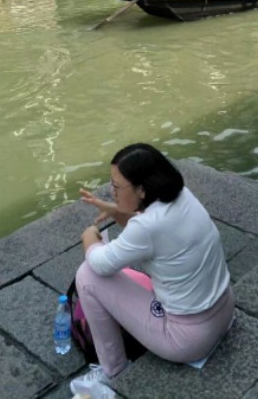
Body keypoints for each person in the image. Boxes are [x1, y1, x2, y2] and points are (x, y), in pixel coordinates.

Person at [73, 143, 235, 391]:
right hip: (223, 311)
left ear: (141, 190)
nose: (112, 192)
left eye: (116, 187)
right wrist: (118, 211)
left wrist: (89, 237)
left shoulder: (146, 227)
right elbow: (151, 231)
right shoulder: (183, 196)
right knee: (124, 273)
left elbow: (100, 264)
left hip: (187, 339)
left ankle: (112, 371)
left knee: (87, 276)